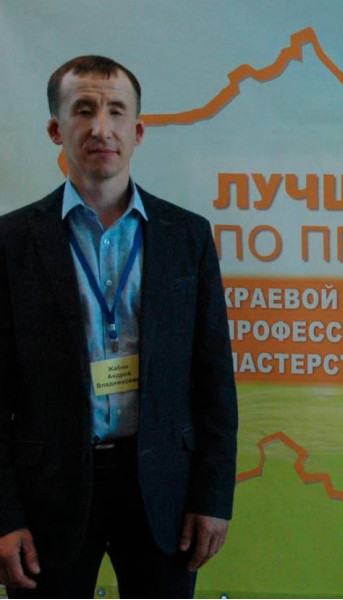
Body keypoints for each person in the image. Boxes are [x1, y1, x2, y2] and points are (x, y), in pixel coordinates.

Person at [0, 56, 238, 598]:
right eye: (83, 110)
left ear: (138, 130)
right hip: (48, 491)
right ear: (56, 129)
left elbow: (214, 380)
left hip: (163, 490)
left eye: (115, 111)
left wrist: (213, 496)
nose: (101, 127)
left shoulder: (187, 237)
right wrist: (4, 515)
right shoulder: (11, 242)